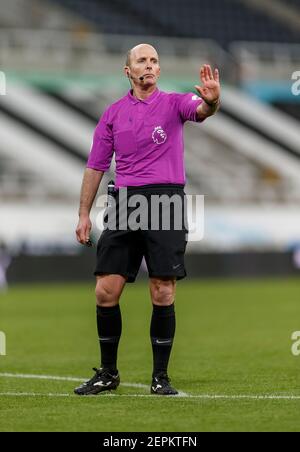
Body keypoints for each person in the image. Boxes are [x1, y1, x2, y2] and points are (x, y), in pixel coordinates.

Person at [75, 44, 220, 396]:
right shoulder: (112, 114)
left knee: (163, 291)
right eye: (142, 60)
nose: (150, 65)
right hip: (125, 203)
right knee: (106, 291)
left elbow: (201, 109)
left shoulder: (173, 103)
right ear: (128, 71)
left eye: (155, 60)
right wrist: (83, 214)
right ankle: (108, 373)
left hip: (165, 202)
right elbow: (96, 166)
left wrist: (213, 101)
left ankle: (161, 377)